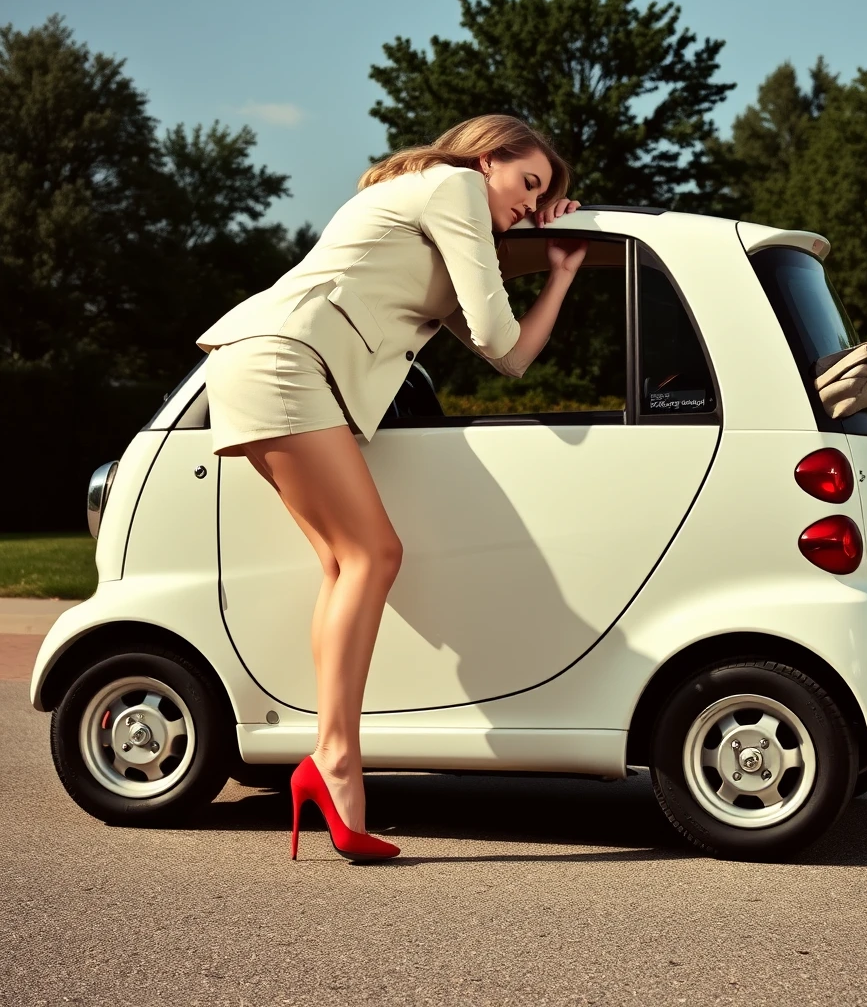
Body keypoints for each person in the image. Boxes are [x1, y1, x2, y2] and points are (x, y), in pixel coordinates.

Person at [195, 114, 588, 862]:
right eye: (526, 184)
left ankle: (324, 758)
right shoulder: (451, 186)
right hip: (287, 359)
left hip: (269, 359)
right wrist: (524, 249)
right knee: (374, 555)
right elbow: (500, 334)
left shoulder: (438, 212)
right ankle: (337, 760)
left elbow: (508, 358)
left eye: (541, 198)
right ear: (486, 159)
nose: (528, 206)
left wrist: (561, 270)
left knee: (346, 564)